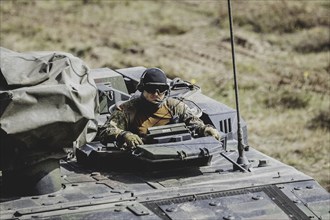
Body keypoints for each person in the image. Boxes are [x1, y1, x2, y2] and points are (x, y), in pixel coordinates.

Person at [99, 67, 220, 150]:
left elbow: (195, 124)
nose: (156, 94)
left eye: (161, 90)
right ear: (142, 89)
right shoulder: (128, 110)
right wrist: (124, 135)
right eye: (151, 89)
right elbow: (105, 131)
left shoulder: (175, 107)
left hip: (176, 156)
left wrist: (206, 129)